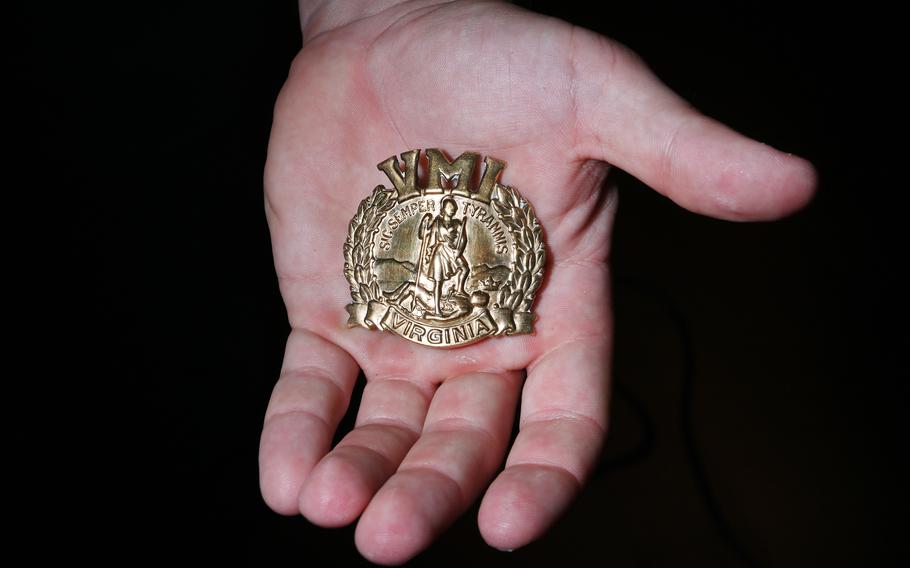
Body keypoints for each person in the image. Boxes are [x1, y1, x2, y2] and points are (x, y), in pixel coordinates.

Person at [259, 1, 816, 564]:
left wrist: (375, 12)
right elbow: (434, 246)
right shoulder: (427, 231)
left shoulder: (454, 234)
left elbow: (450, 248)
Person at [422, 197, 470, 316]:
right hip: (439, 252)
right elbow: (423, 235)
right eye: (449, 207)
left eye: (453, 207)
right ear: (443, 209)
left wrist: (459, 251)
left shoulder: (457, 223)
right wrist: (424, 223)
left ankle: (460, 289)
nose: (452, 209)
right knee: (438, 282)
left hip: (452, 250)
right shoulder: (437, 222)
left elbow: (463, 238)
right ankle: (437, 310)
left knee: (465, 268)